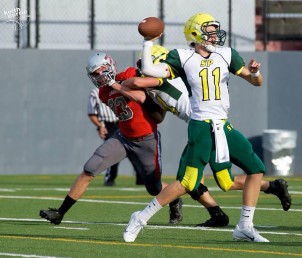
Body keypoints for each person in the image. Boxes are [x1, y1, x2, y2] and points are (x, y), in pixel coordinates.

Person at [123, 13, 274, 243]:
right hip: (201, 126)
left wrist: (255, 72)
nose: (214, 35)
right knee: (187, 183)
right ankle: (140, 218)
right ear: (195, 33)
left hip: (223, 124)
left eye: (215, 29)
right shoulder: (182, 57)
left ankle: (244, 226)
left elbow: (256, 82)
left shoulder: (226, 54)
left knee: (255, 168)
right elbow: (152, 71)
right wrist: (147, 42)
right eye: (209, 30)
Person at [39, 52, 182, 225]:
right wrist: (111, 87)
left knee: (154, 188)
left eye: (101, 71)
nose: (99, 77)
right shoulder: (103, 93)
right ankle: (60, 213)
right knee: (89, 169)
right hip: (123, 138)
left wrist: (115, 84)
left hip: (147, 139)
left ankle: (174, 199)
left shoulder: (128, 74)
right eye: (95, 74)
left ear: (110, 66)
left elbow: (141, 97)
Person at [87, 87, 144, 186]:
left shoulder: (120, 86)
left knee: (133, 150)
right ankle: (110, 179)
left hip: (124, 122)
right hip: (109, 125)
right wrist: (100, 126)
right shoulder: (95, 92)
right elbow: (92, 113)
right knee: (113, 152)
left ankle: (141, 178)